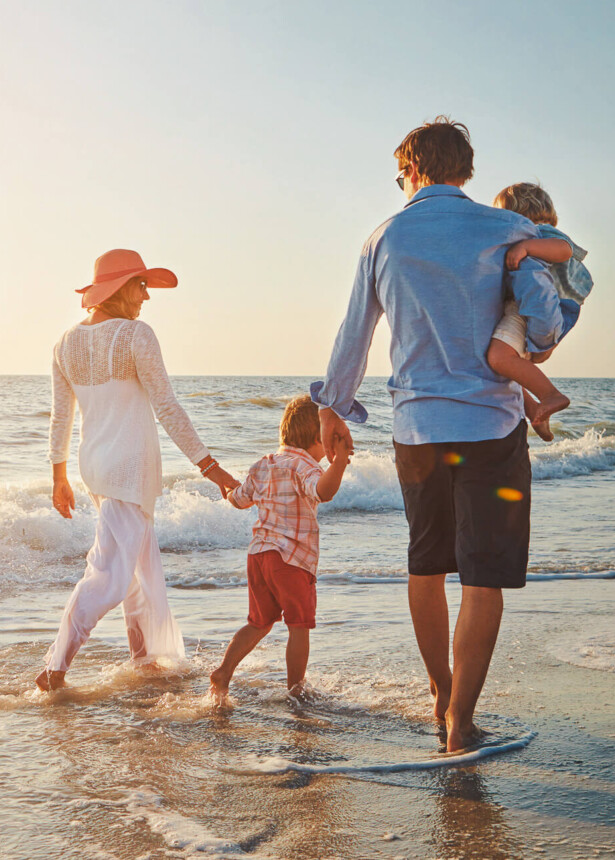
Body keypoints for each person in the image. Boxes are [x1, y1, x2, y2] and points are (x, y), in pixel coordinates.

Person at [311, 117, 564, 752]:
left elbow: (354, 335)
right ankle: (461, 724)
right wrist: (537, 341)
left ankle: (440, 694)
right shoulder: (506, 227)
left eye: (401, 174)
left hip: (417, 430)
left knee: (426, 566)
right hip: (491, 426)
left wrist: (333, 406)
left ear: (415, 170)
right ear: (464, 170)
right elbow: (541, 314)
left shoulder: (383, 238)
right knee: (482, 577)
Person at [36, 249, 239, 692]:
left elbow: (60, 418)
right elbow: (166, 406)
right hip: (129, 468)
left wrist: (60, 476)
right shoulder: (136, 335)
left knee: (140, 572)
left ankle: (144, 660)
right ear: (117, 288)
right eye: (140, 285)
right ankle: (55, 666)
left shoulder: (63, 343)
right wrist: (211, 468)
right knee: (109, 575)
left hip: (97, 468)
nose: (146, 296)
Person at [209, 395, 350, 701]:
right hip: (291, 560)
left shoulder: (263, 465)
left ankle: (224, 671)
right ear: (318, 438)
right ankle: (295, 690)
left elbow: (238, 499)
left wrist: (227, 488)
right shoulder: (305, 466)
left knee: (259, 622)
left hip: (259, 556)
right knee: (299, 626)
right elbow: (323, 491)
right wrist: (339, 463)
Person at [488, 182, 594, 441]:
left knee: (499, 358)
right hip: (539, 307)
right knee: (512, 366)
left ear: (519, 212)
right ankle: (535, 411)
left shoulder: (539, 232)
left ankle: (550, 395)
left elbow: (564, 250)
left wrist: (526, 247)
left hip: (539, 307)